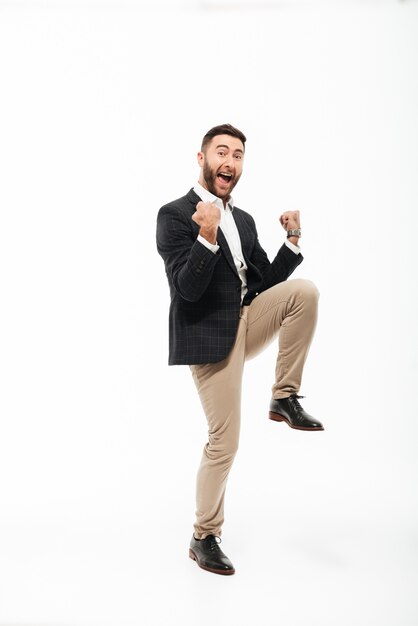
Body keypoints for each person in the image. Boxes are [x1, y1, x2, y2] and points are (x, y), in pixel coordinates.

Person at [156, 123, 323, 576]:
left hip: (247, 321)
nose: (230, 162)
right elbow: (186, 291)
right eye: (221, 152)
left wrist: (291, 242)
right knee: (224, 442)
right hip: (208, 336)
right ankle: (204, 535)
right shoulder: (174, 214)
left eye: (238, 155)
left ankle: (283, 396)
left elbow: (266, 285)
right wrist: (206, 237)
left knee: (303, 292)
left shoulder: (244, 219)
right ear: (202, 158)